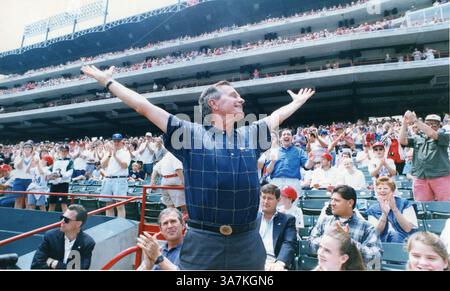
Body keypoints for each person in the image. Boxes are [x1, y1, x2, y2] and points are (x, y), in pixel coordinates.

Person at [81, 64, 315, 270]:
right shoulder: (190, 134)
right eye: (233, 95)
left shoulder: (250, 134)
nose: (241, 99)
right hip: (204, 242)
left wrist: (296, 103)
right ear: (213, 103)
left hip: (247, 242)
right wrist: (107, 81)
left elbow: (277, 117)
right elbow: (144, 106)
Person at [308, 185, 382, 269]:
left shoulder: (367, 227)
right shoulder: (324, 221)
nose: (332, 203)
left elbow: (375, 256)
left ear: (350, 203)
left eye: (337, 200)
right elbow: (311, 245)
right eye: (331, 199)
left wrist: (349, 242)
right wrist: (333, 238)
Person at [399, 112, 450, 201]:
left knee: (446, 205)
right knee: (422, 207)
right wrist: (404, 123)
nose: (430, 126)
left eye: (434, 125)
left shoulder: (444, 136)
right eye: (427, 124)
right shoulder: (417, 138)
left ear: (439, 126)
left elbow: (431, 134)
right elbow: (402, 140)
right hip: (420, 177)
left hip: (440, 176)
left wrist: (415, 120)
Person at [31, 204, 95, 269]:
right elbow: (35, 265)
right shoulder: (50, 236)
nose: (62, 221)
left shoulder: (87, 243)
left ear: (78, 224)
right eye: (62, 218)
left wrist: (55, 264)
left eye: (66, 220)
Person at [257, 184, 297, 270]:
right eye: (263, 197)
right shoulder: (253, 219)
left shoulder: (287, 220)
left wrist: (280, 263)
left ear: (278, 200)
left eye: (270, 198)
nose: (265, 201)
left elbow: (289, 242)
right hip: (254, 260)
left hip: (275, 262)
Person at [266, 128, 314, 197]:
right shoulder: (273, 151)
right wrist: (273, 162)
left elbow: (307, 166)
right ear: (280, 139)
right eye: (284, 135)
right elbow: (268, 171)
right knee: (276, 206)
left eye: (288, 134)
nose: (286, 136)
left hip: (293, 182)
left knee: (293, 206)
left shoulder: (299, 151)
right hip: (277, 182)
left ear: (292, 138)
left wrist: (310, 160)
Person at [367, 177, 417, 242]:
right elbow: (375, 233)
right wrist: (384, 214)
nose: (382, 191)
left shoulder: (405, 203)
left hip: (405, 239)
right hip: (382, 242)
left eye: (385, 188)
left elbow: (408, 228)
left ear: (392, 191)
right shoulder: (373, 209)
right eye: (379, 188)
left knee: (395, 235)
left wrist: (395, 209)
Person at [100, 134, 131, 218]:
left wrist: (115, 155)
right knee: (108, 204)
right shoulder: (108, 153)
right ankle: (109, 225)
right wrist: (110, 155)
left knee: (119, 204)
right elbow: (103, 165)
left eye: (118, 141)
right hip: (108, 179)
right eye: (115, 141)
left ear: (122, 142)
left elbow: (125, 166)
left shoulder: (125, 152)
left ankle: (120, 226)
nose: (116, 143)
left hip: (119, 179)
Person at [47, 145, 73, 213]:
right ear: (59, 151)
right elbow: (49, 170)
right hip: (54, 183)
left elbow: (70, 173)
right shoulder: (56, 161)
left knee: (63, 203)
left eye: (65, 151)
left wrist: (60, 175)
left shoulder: (70, 161)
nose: (63, 152)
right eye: (62, 150)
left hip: (63, 184)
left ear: (67, 152)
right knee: (51, 203)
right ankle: (49, 219)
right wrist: (50, 175)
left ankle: (66, 220)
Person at [12, 141, 35, 209]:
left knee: (28, 201)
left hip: (30, 180)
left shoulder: (34, 158)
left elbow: (33, 169)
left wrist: (31, 158)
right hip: (19, 180)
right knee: (18, 200)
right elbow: (18, 167)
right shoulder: (18, 157)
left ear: (32, 149)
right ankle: (16, 217)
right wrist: (22, 157)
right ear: (23, 149)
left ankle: (27, 217)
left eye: (29, 147)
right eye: (25, 147)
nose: (27, 148)